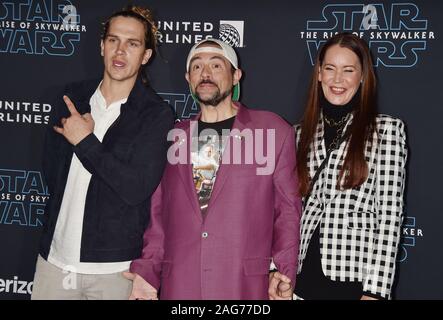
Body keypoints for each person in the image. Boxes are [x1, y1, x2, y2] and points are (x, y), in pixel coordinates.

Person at [125, 38, 302, 300]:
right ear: (188, 78)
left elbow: (287, 211)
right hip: (181, 286)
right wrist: (148, 272)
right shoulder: (173, 137)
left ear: (236, 76)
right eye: (197, 67)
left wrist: (283, 270)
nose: (205, 74)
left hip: (243, 287)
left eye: (216, 65)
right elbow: (158, 217)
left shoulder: (272, 131)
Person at [31, 6, 174, 300]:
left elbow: (135, 188)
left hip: (115, 270)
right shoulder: (71, 99)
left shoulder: (155, 115)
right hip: (54, 262)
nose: (120, 51)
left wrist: (85, 141)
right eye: (113, 40)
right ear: (101, 45)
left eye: (132, 43)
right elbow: (51, 173)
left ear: (145, 55)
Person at [270, 33, 407, 300]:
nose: (337, 79)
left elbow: (390, 216)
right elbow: (283, 210)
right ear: (319, 73)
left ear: (363, 76)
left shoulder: (386, 130)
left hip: (354, 278)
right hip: (299, 279)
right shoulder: (298, 134)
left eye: (348, 70)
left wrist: (375, 292)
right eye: (330, 69)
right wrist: (276, 269)